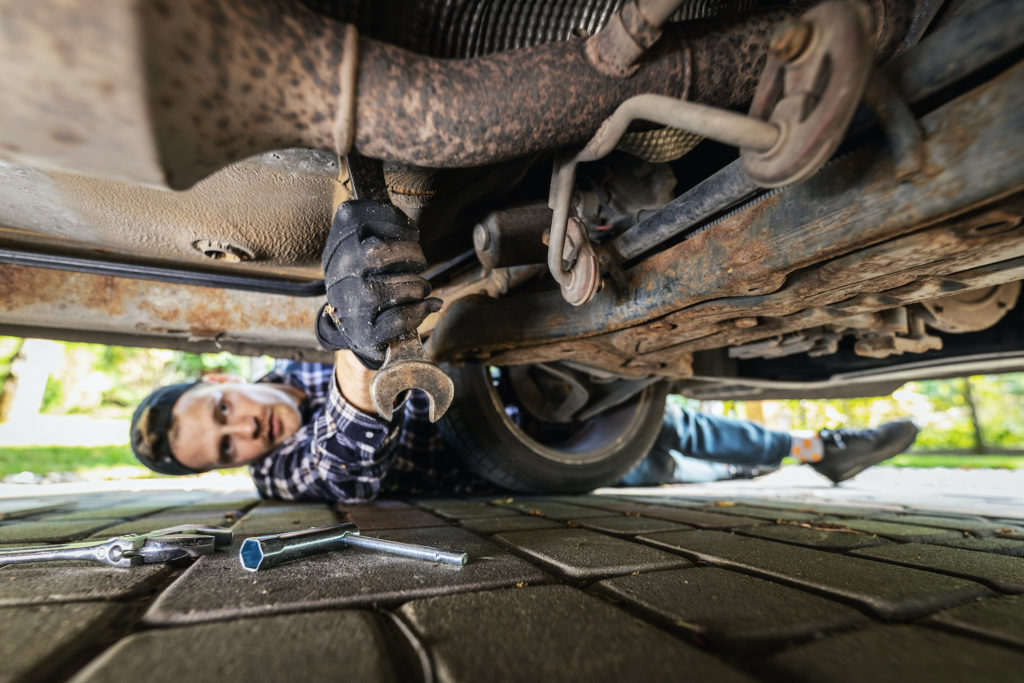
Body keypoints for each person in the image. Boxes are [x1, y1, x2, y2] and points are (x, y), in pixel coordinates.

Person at [129, 199, 919, 501]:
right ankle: (813, 450)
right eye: (225, 449)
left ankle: (820, 445)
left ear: (218, 378)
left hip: (529, 375)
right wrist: (362, 354)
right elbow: (348, 471)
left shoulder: (284, 368)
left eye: (222, 412)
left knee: (678, 426)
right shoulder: (281, 477)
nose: (246, 432)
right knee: (672, 458)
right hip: (522, 455)